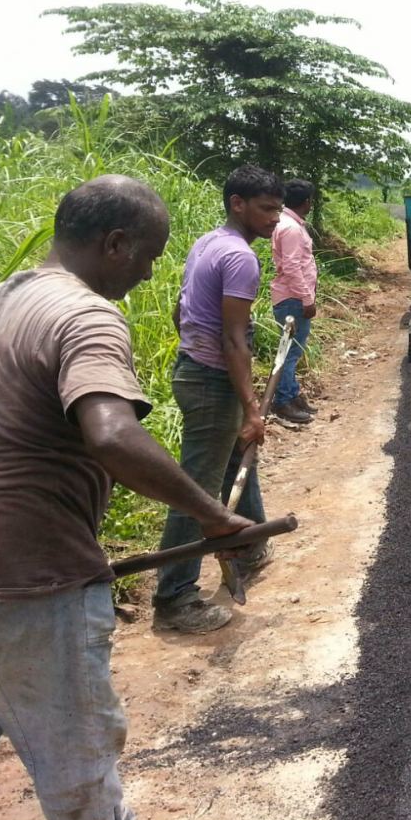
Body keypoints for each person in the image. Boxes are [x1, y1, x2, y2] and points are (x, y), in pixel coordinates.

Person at [0, 176, 252, 820]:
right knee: (87, 802)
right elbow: (112, 433)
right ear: (114, 243)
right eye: (150, 254)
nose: (151, 269)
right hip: (32, 585)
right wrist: (213, 516)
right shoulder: (85, 315)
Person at [152, 164, 284, 633]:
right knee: (198, 490)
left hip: (196, 370)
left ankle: (249, 545)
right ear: (237, 204)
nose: (275, 219)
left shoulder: (208, 242)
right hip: (211, 380)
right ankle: (175, 596)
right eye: (267, 209)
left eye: (279, 209)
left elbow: (180, 309)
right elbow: (234, 339)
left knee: (235, 462)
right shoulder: (240, 259)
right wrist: (251, 409)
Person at [270, 178, 318, 426]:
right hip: (292, 299)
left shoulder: (289, 224)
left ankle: (292, 395)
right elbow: (291, 266)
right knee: (289, 352)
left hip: (292, 298)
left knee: (293, 350)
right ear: (307, 202)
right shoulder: (290, 228)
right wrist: (307, 299)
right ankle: (283, 402)